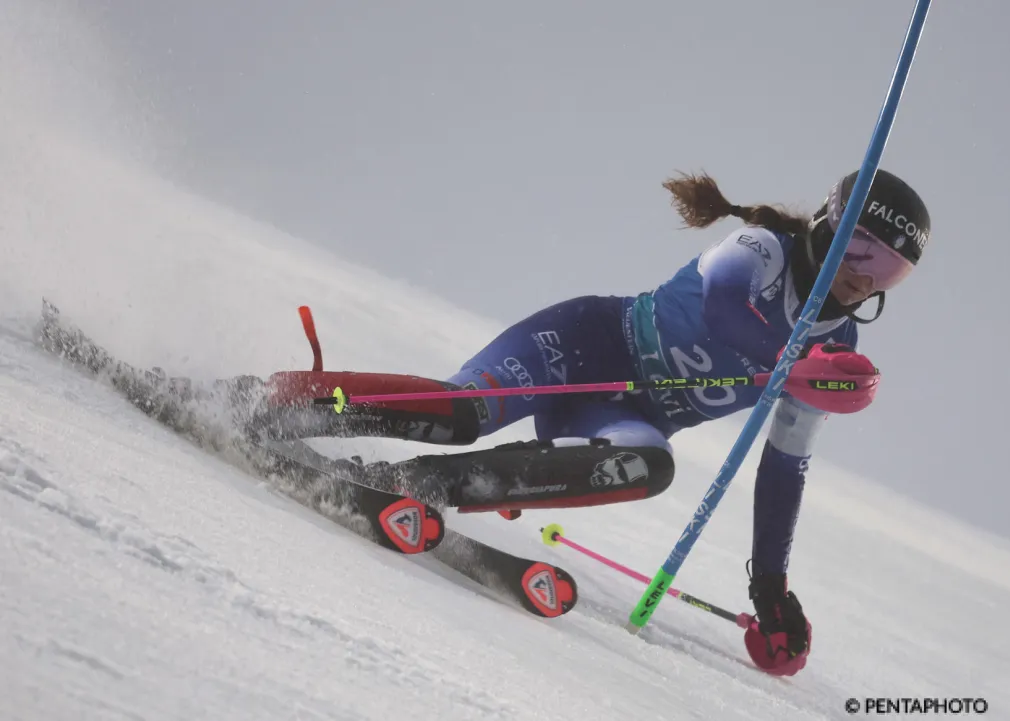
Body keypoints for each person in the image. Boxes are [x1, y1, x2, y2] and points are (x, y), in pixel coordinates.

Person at [41, 167, 930, 675]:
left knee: (646, 466)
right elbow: (732, 302)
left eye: (885, 272)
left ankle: (417, 489)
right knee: (460, 410)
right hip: (584, 346)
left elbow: (785, 466)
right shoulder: (761, 249)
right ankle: (248, 396)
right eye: (861, 252)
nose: (861, 279)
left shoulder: (834, 344)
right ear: (832, 225)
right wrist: (794, 366)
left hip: (625, 414)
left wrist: (770, 587)